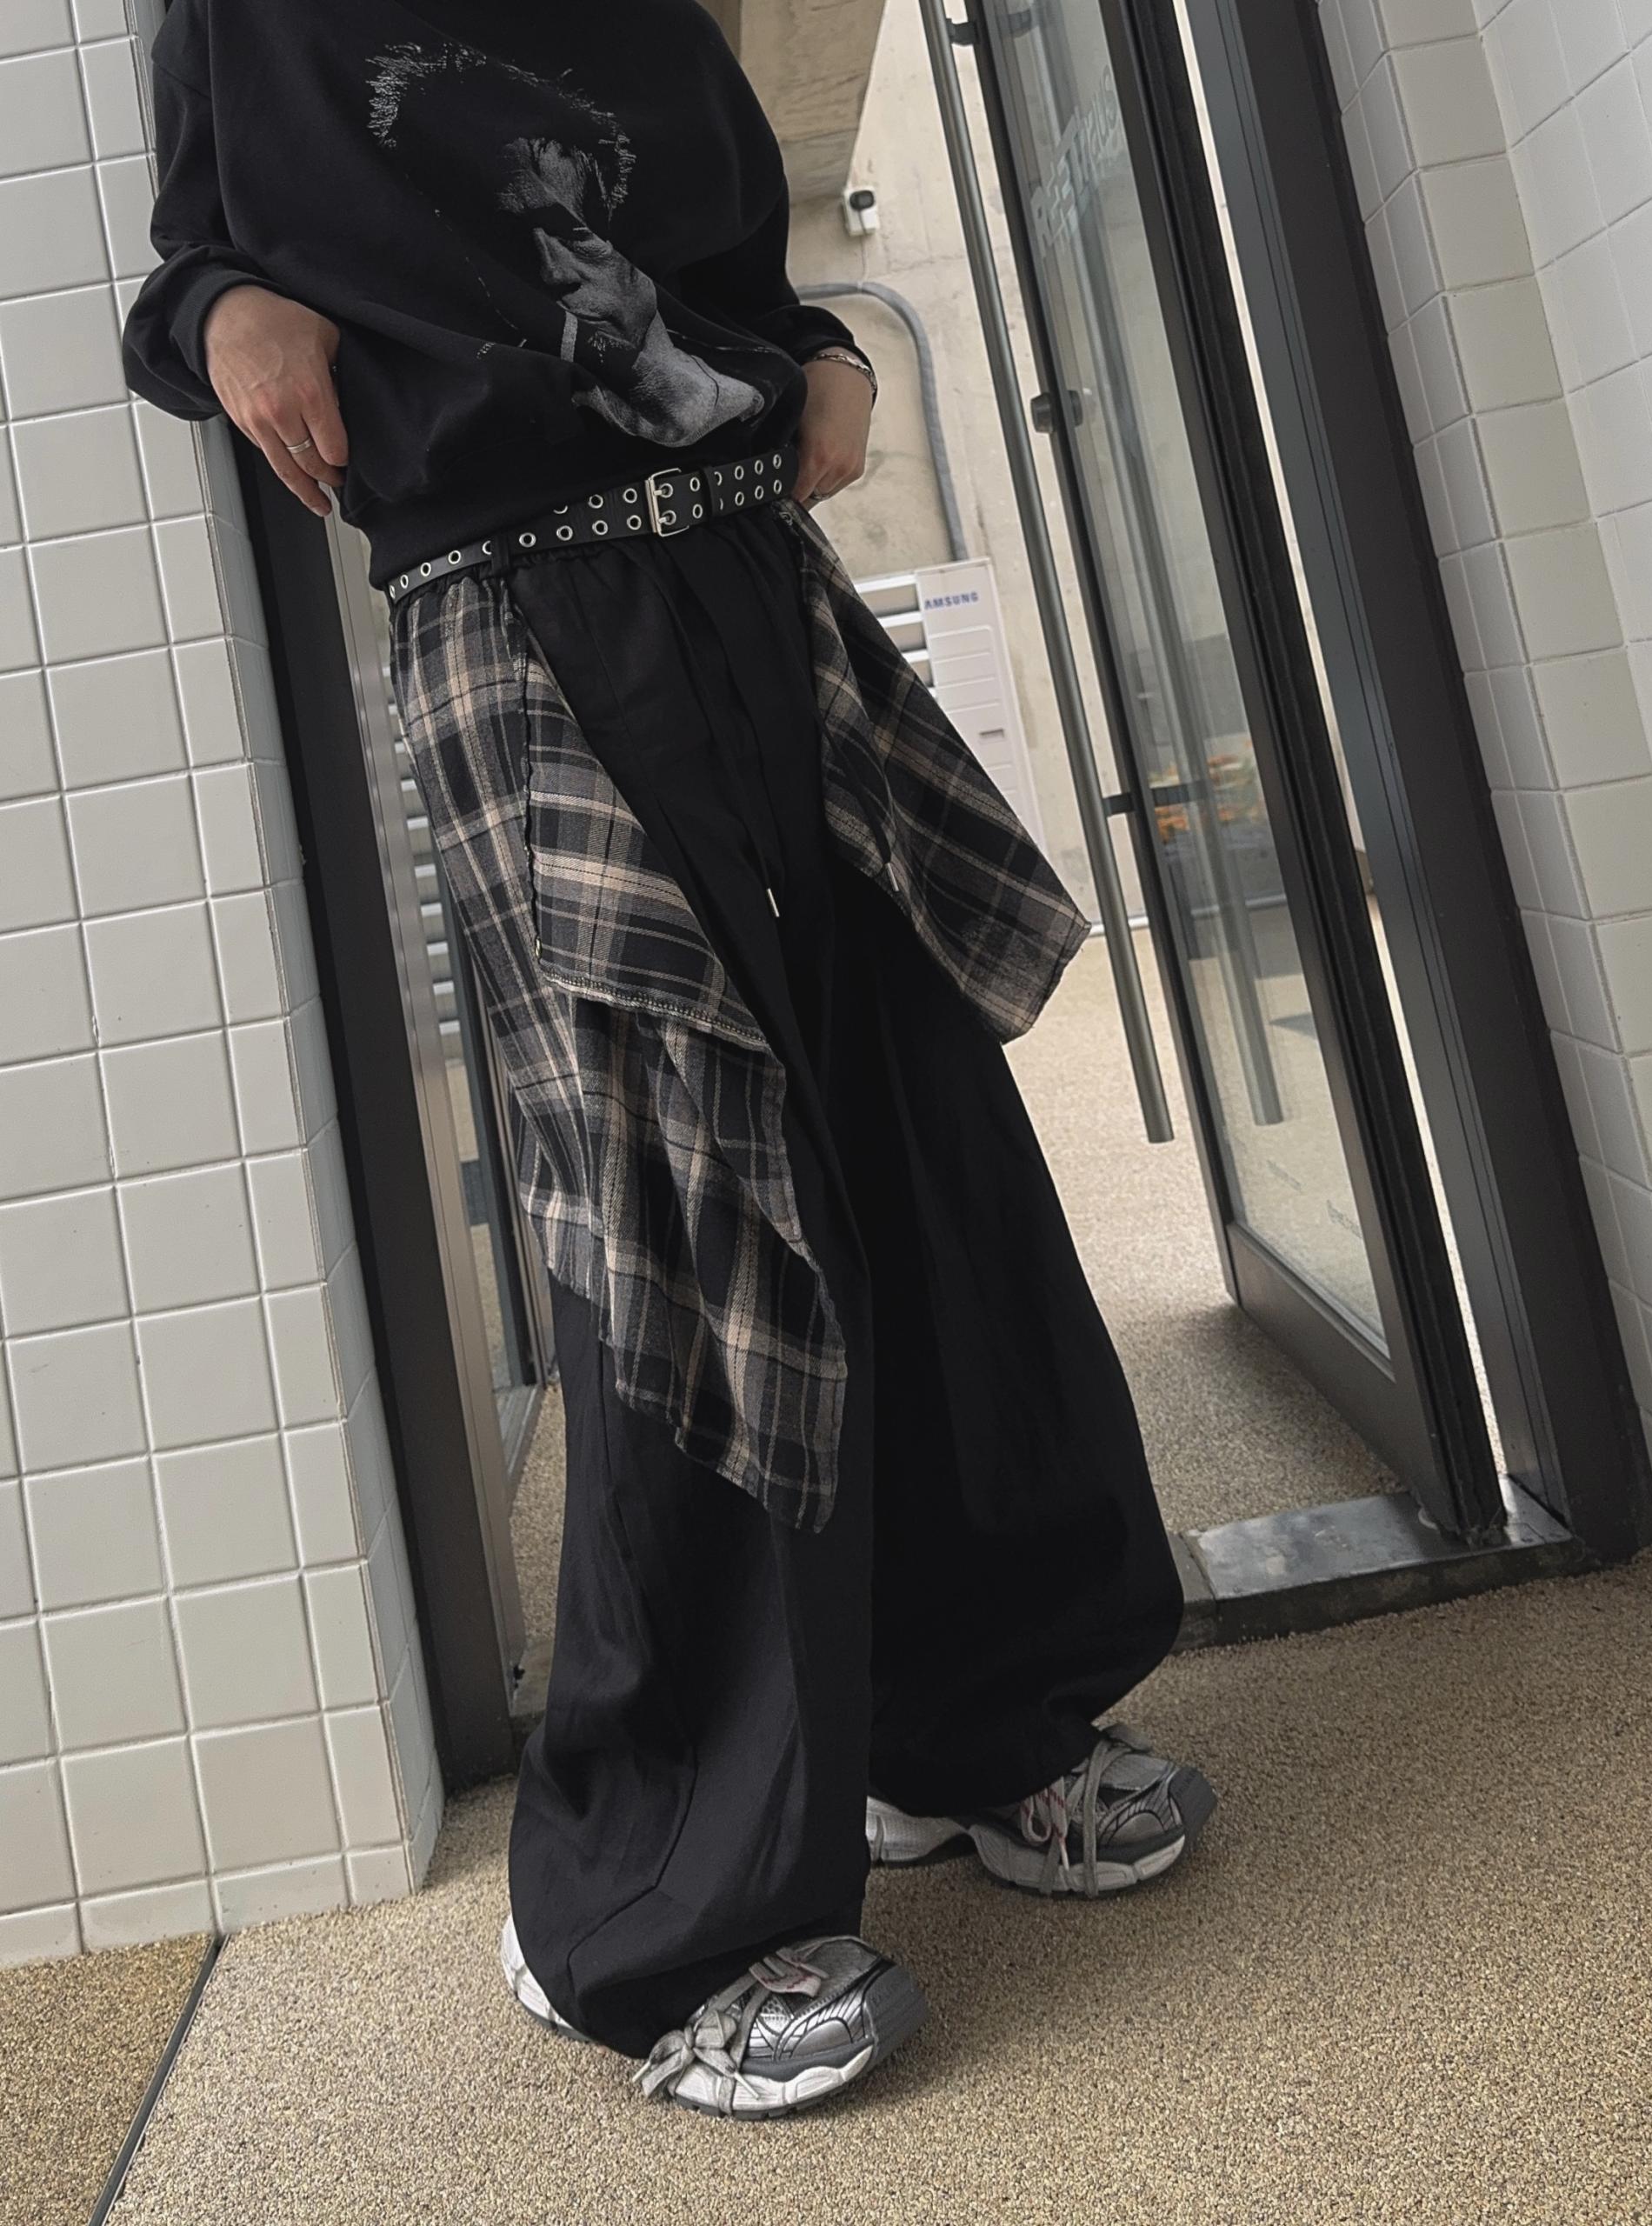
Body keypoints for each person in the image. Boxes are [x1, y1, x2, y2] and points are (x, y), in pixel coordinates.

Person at [123, 0, 1216, 2123]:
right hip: (510, 604)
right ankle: (648, 1913)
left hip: (753, 582)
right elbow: (187, 261)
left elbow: (741, 289)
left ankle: (970, 1723)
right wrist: (226, 310)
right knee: (687, 1220)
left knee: (924, 1141)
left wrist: (832, 359)